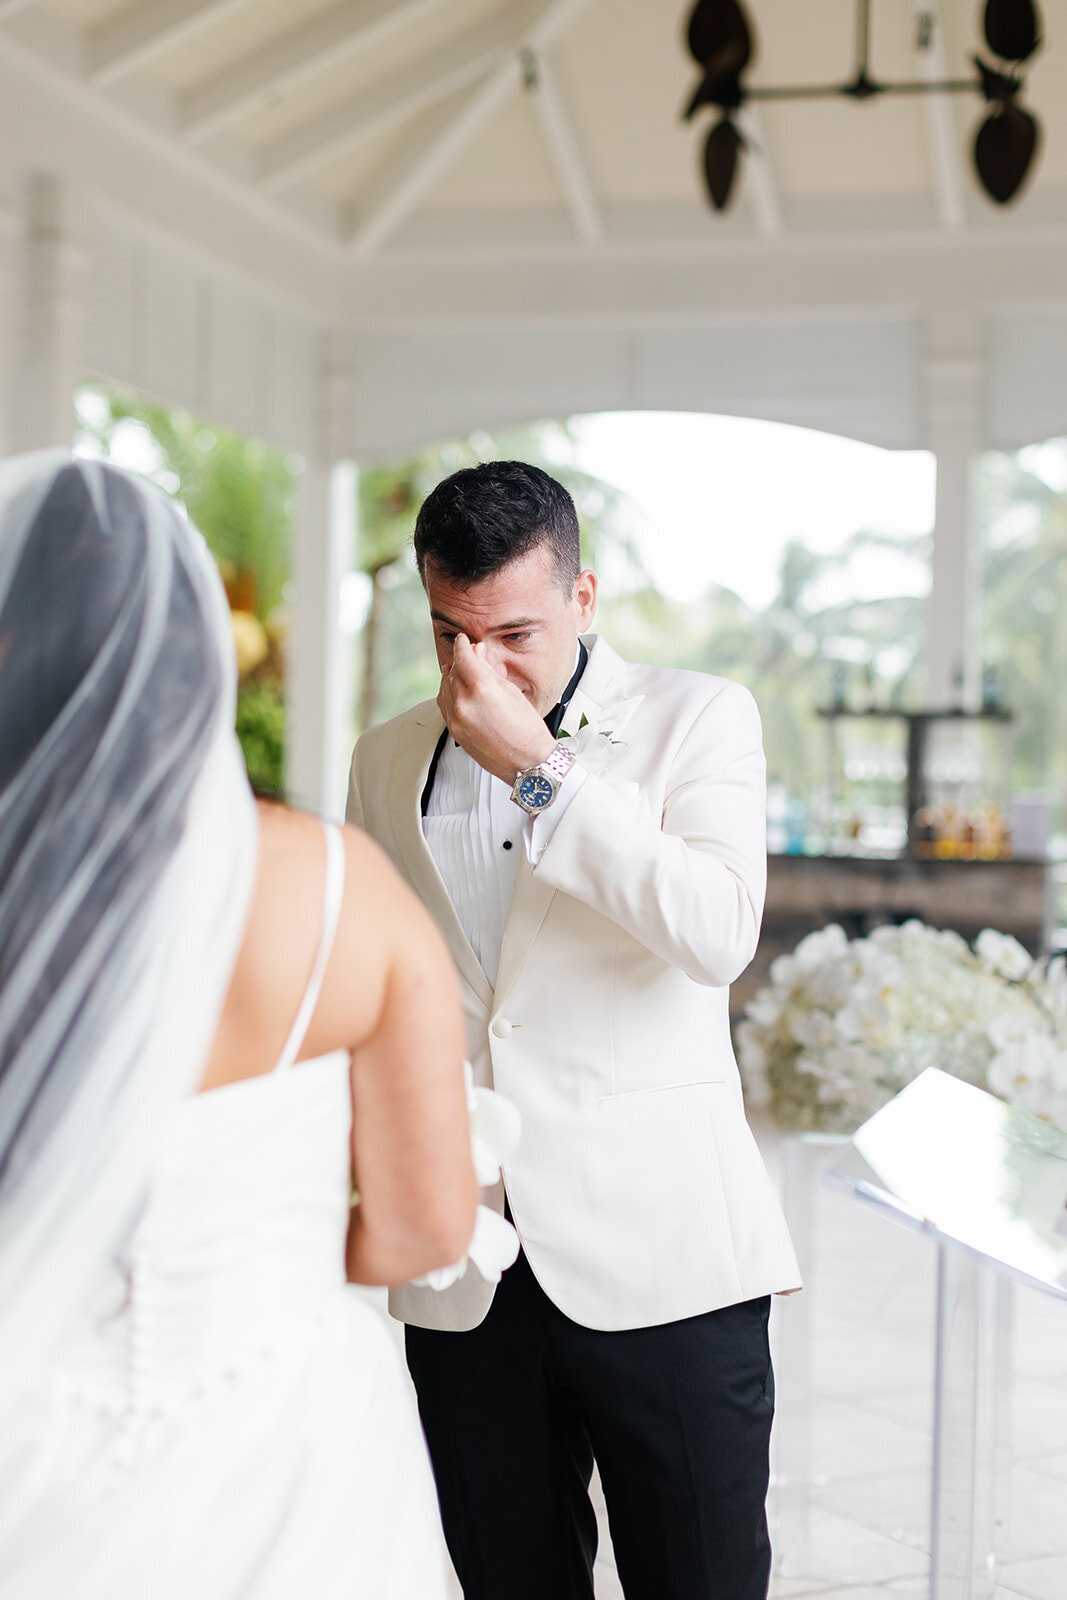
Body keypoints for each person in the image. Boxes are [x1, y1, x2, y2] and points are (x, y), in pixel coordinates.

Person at [0, 450, 485, 1599]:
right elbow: (425, 1229)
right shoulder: (336, 888)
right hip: (288, 1450)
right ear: (196, 659)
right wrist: (257, 1267)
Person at [347, 459, 803, 1600]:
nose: (474, 668)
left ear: (583, 599)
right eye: (448, 632)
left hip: (666, 1263)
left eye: (511, 633)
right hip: (473, 1269)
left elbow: (714, 930)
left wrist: (540, 771)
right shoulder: (385, 757)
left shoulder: (699, 718)